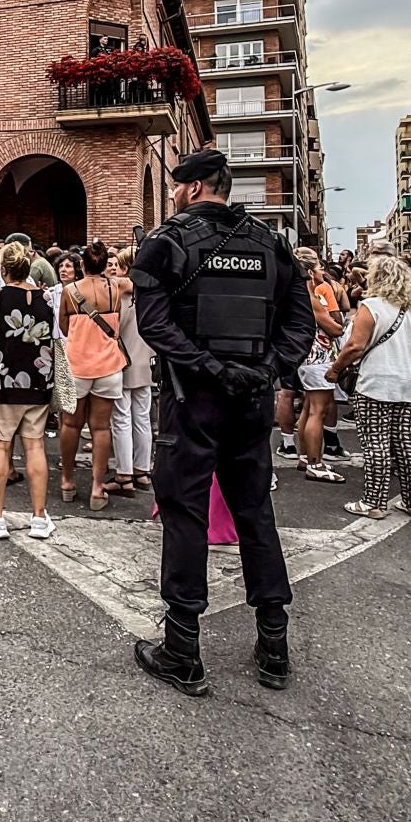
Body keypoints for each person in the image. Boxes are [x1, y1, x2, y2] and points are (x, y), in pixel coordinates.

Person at [130, 148, 314, 696]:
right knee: (255, 511)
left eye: (176, 186)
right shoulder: (271, 243)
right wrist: (265, 370)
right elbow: (300, 326)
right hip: (252, 397)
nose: (173, 195)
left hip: (195, 398)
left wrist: (211, 369)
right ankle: (274, 645)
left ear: (193, 187)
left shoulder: (166, 241)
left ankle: (182, 649)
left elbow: (155, 325)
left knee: (185, 514)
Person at [327, 255, 411, 520]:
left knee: (376, 443)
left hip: (378, 382)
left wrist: (336, 369)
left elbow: (355, 346)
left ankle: (374, 502)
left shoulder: (371, 306)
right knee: (408, 442)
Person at [0, 241, 56, 541]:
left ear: (3, 269)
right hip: (37, 378)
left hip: (1, 378)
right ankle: (39, 517)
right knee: (35, 446)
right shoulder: (47, 297)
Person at [57, 239, 128, 509]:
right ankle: (98, 488)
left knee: (70, 424)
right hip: (108, 365)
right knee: (101, 427)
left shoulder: (70, 291)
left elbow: (64, 327)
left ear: (82, 265)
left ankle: (67, 480)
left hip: (76, 364)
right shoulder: (115, 289)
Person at [292, 248, 348, 483]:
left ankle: (306, 457)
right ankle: (315, 463)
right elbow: (335, 328)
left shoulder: (295, 293)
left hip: (307, 357)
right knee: (319, 411)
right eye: (317, 268)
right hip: (318, 358)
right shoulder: (309, 296)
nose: (321, 272)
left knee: (308, 408)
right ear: (309, 271)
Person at [108, 251, 156, 494]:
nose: (113, 269)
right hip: (146, 361)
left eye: (117, 265)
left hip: (122, 361)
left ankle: (124, 474)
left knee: (121, 419)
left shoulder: (119, 293)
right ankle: (142, 470)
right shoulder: (151, 292)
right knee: (142, 418)